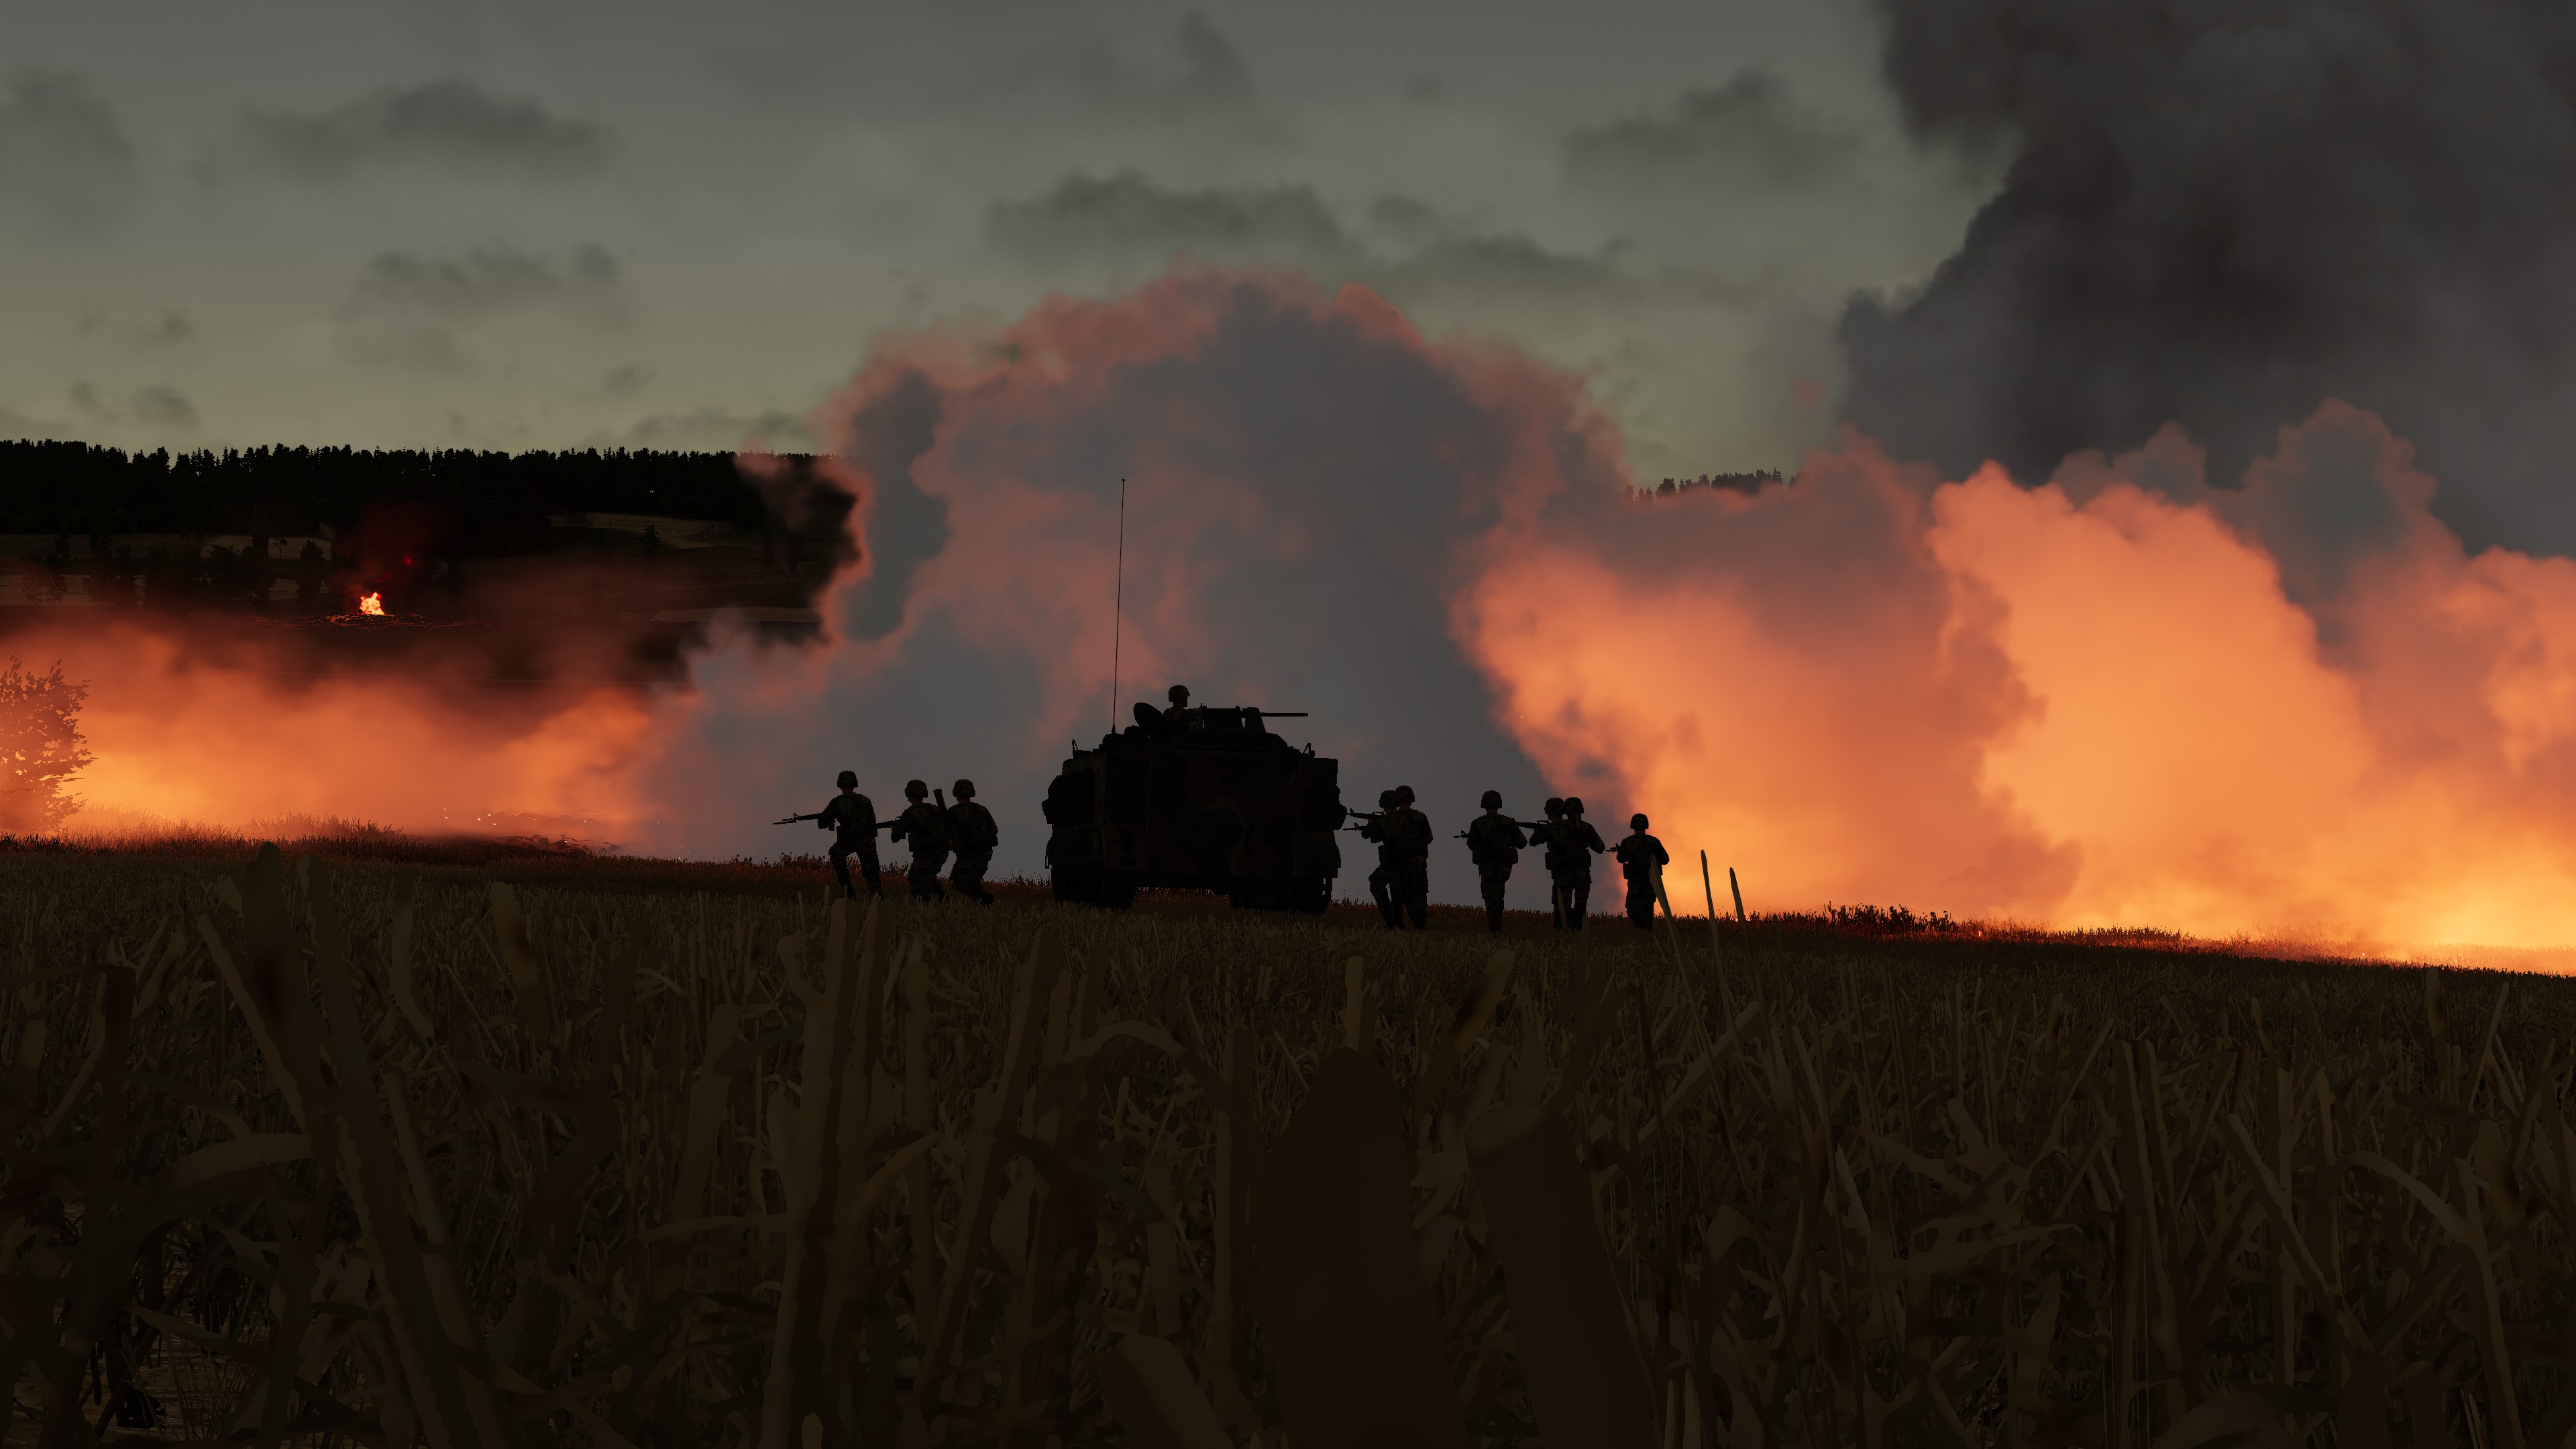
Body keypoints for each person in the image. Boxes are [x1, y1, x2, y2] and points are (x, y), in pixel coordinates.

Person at [1464, 790, 1525, 933]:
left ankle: (1495, 928)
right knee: (1498, 893)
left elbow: (1471, 844)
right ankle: (1496, 926)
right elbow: (1522, 843)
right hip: (1504, 865)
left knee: (1491, 895)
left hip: (1487, 864)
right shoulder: (1509, 822)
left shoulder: (1477, 823)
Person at [817, 770, 883, 900]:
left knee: (836, 855)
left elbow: (821, 823)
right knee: (871, 871)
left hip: (847, 840)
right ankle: (879, 899)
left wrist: (831, 818)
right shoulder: (865, 800)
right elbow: (873, 823)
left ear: (840, 784)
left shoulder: (837, 802)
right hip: (866, 840)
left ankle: (849, 893)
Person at [890, 779, 951, 902]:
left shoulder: (910, 812)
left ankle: (928, 907)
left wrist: (895, 829)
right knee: (926, 878)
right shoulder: (936, 809)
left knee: (916, 885)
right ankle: (939, 896)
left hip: (924, 854)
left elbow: (895, 837)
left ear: (908, 795)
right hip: (942, 853)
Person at [1552, 796, 1607, 930]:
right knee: (1580, 907)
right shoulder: (1587, 828)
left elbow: (1534, 841)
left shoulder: (1558, 827)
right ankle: (1576, 930)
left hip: (1563, 873)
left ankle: (1560, 932)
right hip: (1582, 874)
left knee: (1561, 907)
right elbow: (1600, 848)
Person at [948, 778, 1000, 906]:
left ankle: (985, 898)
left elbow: (944, 832)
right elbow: (994, 829)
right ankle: (981, 907)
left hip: (967, 853)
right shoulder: (982, 810)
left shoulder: (953, 812)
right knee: (973, 882)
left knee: (958, 882)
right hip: (985, 852)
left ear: (956, 793)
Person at [1614, 812, 1670, 930]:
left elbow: (1620, 859)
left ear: (1633, 825)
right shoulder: (1654, 842)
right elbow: (1665, 859)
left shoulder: (1627, 842)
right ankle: (1646, 931)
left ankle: (1643, 931)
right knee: (1647, 909)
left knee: (1632, 909)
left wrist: (1628, 853)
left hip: (1635, 881)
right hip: (1650, 881)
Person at [1389, 786, 1434, 930]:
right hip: (1418, 863)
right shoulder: (1421, 817)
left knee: (1397, 894)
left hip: (1397, 863)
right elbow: (1429, 838)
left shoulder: (1390, 818)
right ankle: (1420, 925)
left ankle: (1399, 926)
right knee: (1419, 894)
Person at [1360, 789, 1405, 928]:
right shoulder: (1405, 818)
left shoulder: (1383, 821)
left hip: (1390, 863)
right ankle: (1399, 925)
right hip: (1406, 862)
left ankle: (1390, 923)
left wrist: (1371, 824)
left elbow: (1367, 835)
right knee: (1397, 892)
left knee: (1376, 884)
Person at [1529, 798, 1567, 928]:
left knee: (1559, 902)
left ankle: (1560, 930)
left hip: (1560, 871)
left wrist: (1537, 832)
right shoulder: (1571, 826)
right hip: (1575, 869)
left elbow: (1533, 842)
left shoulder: (1550, 829)